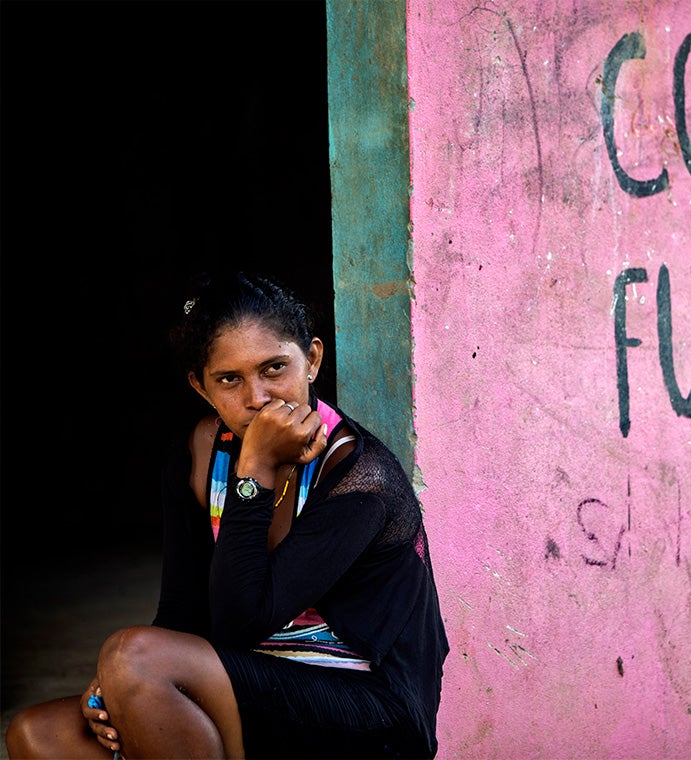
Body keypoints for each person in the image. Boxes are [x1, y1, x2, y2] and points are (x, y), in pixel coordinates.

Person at [5, 271, 449, 759]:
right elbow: (180, 611)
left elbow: (242, 623)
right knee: (37, 734)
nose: (257, 398)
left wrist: (254, 467)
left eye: (275, 368)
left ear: (313, 360)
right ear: (201, 386)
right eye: (229, 379)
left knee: (134, 657)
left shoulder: (358, 477)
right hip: (248, 687)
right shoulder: (199, 455)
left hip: (367, 714)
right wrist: (119, 682)